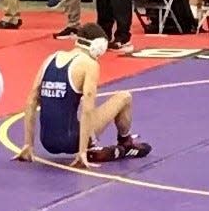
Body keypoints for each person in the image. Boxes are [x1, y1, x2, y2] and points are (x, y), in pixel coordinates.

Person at [17, 23, 151, 167]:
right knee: (124, 97)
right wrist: (81, 152)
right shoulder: (89, 64)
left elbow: (31, 101)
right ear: (99, 46)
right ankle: (125, 142)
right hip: (72, 141)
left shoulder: (51, 59)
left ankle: (92, 148)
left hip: (47, 142)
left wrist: (28, 144)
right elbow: (87, 110)